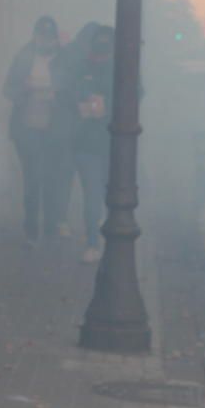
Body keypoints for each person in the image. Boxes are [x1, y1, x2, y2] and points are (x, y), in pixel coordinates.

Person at [3, 16, 66, 244]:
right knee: (32, 179)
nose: (45, 42)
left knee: (51, 179)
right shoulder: (23, 57)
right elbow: (8, 90)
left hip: (54, 129)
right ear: (35, 36)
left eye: (49, 37)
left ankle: (50, 227)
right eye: (41, 36)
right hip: (26, 128)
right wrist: (24, 88)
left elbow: (73, 92)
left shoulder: (64, 59)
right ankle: (30, 228)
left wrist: (57, 95)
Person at [56, 23, 114, 264]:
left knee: (108, 191)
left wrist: (107, 108)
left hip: (114, 142)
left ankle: (105, 232)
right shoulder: (79, 67)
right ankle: (92, 241)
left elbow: (136, 95)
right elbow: (64, 94)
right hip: (86, 141)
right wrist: (78, 107)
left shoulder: (121, 69)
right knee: (92, 192)